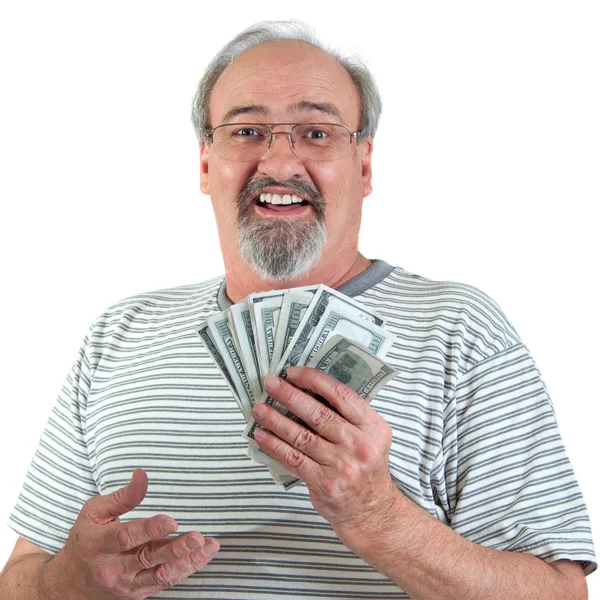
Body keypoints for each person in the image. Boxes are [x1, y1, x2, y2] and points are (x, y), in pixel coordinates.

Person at [0, 19, 596, 600]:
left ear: (364, 165)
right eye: (245, 131)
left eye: (316, 133)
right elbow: (22, 576)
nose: (280, 164)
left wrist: (379, 518)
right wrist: (67, 586)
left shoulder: (461, 331)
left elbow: (559, 593)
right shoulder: (117, 335)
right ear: (205, 163)